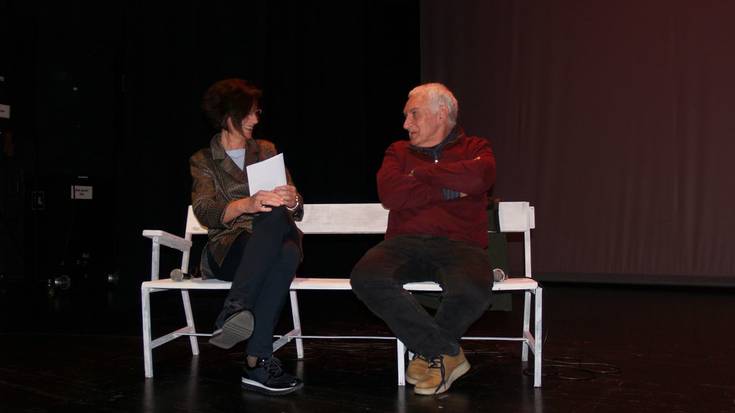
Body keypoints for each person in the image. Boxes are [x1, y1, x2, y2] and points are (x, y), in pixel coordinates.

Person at [350, 83, 496, 395]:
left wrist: (421, 174)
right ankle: (444, 353)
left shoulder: (476, 147)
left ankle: (428, 354)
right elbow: (391, 194)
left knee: (472, 287)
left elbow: (480, 178)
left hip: (461, 245)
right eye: (406, 116)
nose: (406, 124)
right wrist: (453, 188)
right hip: (404, 243)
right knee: (366, 277)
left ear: (441, 114)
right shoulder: (398, 151)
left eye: (413, 114)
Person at [190, 79, 304, 395]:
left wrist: (293, 199)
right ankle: (256, 361)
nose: (256, 119)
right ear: (229, 116)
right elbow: (205, 211)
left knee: (279, 221)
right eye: (250, 113)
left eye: (257, 112)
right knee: (286, 253)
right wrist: (247, 204)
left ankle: (234, 308)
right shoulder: (204, 159)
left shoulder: (265, 149)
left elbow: (296, 209)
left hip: (270, 240)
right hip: (229, 249)